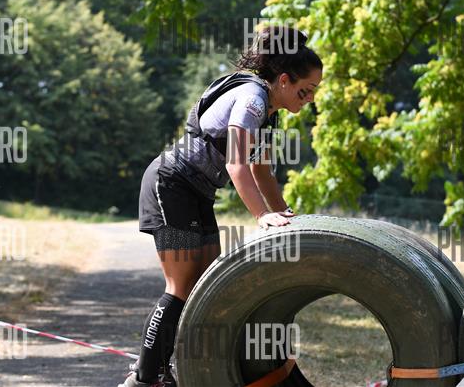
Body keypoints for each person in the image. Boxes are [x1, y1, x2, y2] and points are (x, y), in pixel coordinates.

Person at [117, 26, 323, 387]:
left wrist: (287, 217)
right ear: (284, 80)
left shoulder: (269, 113)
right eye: (306, 90)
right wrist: (262, 215)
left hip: (198, 193)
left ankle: (181, 369)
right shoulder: (253, 99)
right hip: (170, 185)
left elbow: (262, 172)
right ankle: (144, 378)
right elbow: (237, 163)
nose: (309, 99)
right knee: (180, 286)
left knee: (206, 287)